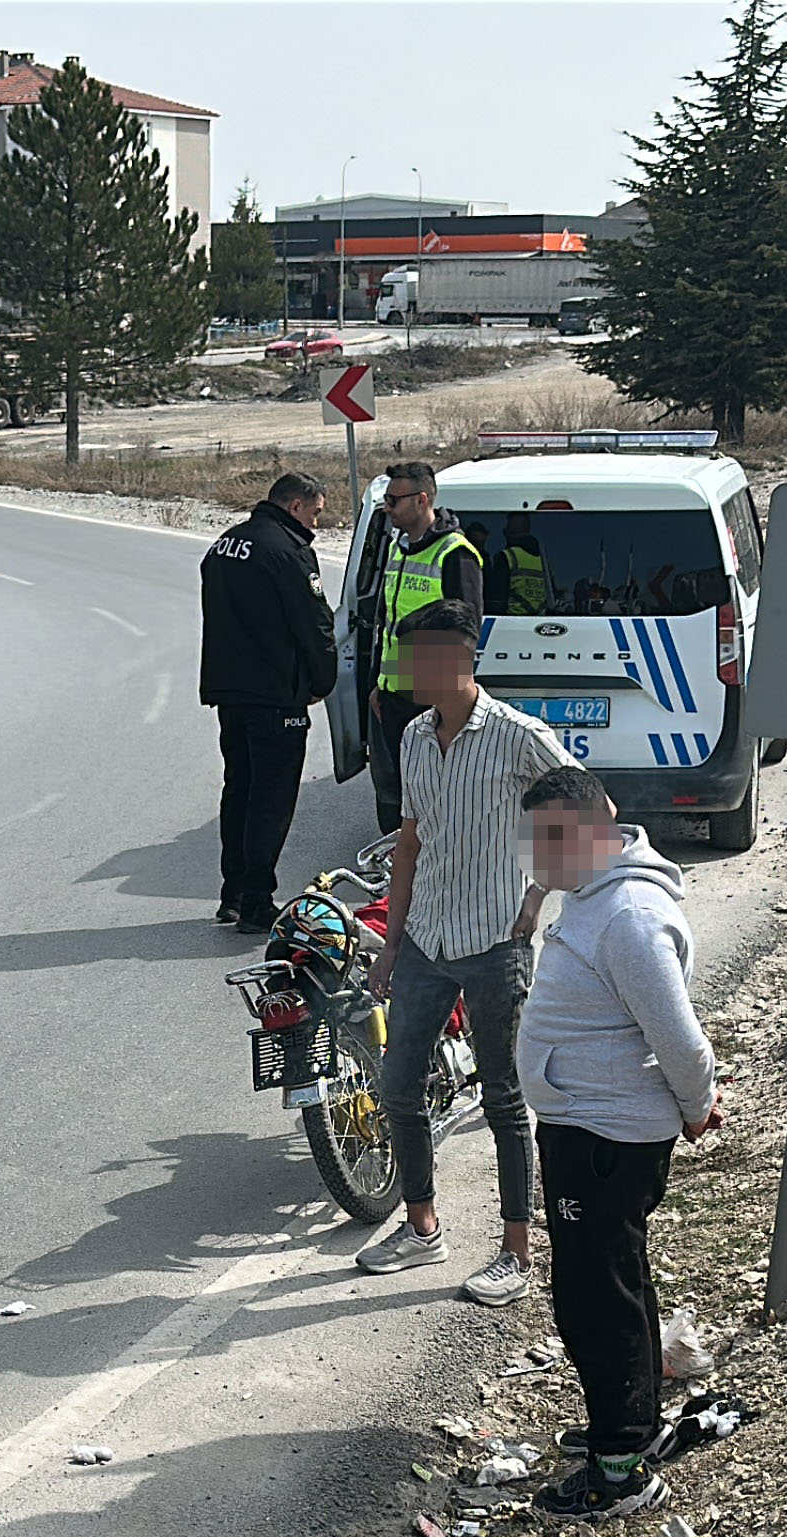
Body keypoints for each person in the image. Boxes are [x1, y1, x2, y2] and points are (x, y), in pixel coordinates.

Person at [513, 765, 720, 1520]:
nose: (543, 858)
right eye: (537, 843)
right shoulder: (594, 893)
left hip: (605, 1137)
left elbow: (679, 1037)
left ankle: (620, 1470)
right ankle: (630, 1426)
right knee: (617, 1282)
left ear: (602, 822)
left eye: (557, 840)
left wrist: (698, 1105)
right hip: (586, 1127)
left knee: (594, 1301)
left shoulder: (628, 915)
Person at [360, 599, 568, 1307]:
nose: (407, 673)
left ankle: (516, 1251)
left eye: (419, 659)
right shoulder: (416, 735)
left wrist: (536, 900)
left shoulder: (517, 736)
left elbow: (585, 808)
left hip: (493, 944)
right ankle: (422, 1229)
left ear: (458, 658)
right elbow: (411, 841)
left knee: (505, 1098)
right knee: (397, 1086)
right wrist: (392, 943)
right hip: (426, 941)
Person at [198, 470, 336, 933]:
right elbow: (314, 623)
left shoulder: (224, 544)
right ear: (295, 506)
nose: (317, 524)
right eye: (315, 513)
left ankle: (232, 893)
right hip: (276, 695)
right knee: (270, 800)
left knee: (238, 790)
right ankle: (257, 900)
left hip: (231, 692)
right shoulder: (287, 552)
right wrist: (323, 679)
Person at [351, 460, 485, 835]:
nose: (388, 508)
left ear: (422, 499)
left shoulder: (454, 554)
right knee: (399, 794)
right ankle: (400, 871)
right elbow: (388, 625)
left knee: (434, 796)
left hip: (431, 701)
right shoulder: (400, 548)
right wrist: (381, 683)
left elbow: (465, 634)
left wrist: (448, 704)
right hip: (395, 695)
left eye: (394, 500)